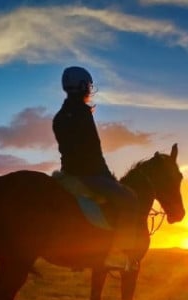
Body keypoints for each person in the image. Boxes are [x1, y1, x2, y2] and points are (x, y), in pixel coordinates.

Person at [52, 66, 140, 271]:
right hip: (89, 173)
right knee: (130, 199)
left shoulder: (59, 117)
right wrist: (107, 176)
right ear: (82, 86)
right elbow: (93, 150)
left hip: (68, 172)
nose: (90, 89)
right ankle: (117, 254)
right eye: (88, 85)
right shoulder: (83, 113)